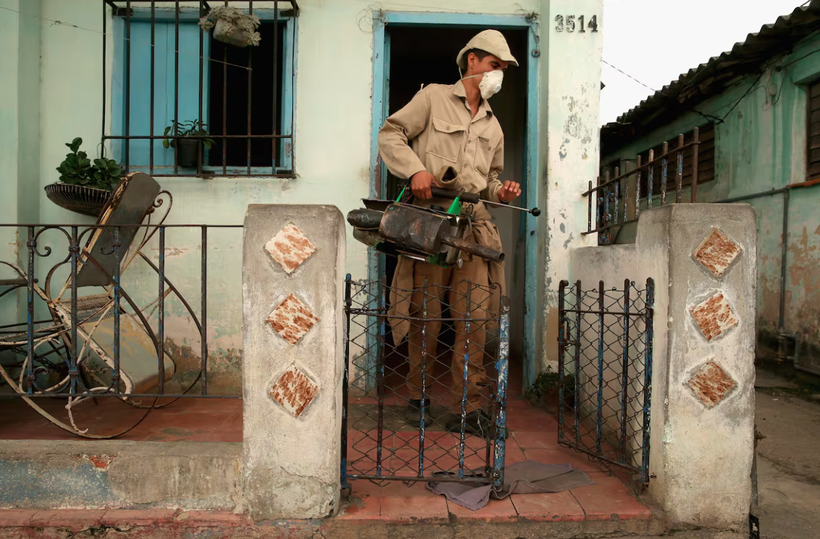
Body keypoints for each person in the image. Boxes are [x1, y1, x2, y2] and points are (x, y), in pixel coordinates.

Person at [377, 29, 521, 436]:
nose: (499, 75)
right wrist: (416, 170)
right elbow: (391, 133)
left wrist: (502, 190)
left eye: (504, 70)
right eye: (495, 65)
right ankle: (417, 397)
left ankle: (469, 409)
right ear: (472, 60)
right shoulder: (434, 97)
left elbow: (489, 181)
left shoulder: (494, 127)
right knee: (425, 315)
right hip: (430, 222)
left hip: (473, 227)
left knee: (473, 318)